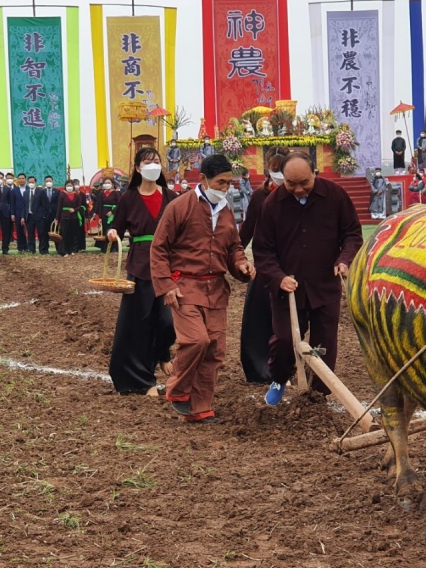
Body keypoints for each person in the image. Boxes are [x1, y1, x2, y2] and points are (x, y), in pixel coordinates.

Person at [150, 154, 254, 423]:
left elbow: (234, 248)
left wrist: (241, 264)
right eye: (221, 182)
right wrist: (166, 285)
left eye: (229, 183)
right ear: (204, 179)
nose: (225, 188)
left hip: (216, 289)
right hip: (184, 287)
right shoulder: (179, 207)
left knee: (215, 350)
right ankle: (178, 389)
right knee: (196, 340)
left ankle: (200, 408)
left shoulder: (227, 211)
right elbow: (159, 248)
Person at [253, 152, 363, 405]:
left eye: (304, 183)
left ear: (315, 173)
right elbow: (262, 250)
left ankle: (319, 393)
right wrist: (278, 277)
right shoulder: (272, 204)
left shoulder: (336, 196)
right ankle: (280, 378)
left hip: (325, 284)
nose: (299, 189)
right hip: (288, 289)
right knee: (284, 340)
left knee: (325, 342)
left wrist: (344, 260)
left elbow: (352, 234)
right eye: (291, 184)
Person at [107, 147, 178, 396]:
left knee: (168, 320)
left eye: (156, 161)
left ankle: (162, 353)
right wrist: (112, 232)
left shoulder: (171, 197)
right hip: (140, 265)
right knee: (141, 322)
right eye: (147, 162)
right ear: (137, 168)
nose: (152, 165)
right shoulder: (128, 198)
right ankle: (144, 380)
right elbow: (116, 227)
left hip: (168, 265)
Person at [238, 154, 285, 385]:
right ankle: (259, 368)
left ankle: (286, 367)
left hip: (291, 266)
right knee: (260, 318)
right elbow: (247, 229)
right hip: (265, 266)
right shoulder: (259, 197)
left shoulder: (299, 195)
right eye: (276, 170)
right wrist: (236, 256)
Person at [33, 177, 58, 255]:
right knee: (43, 233)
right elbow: (37, 204)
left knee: (56, 232)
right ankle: (43, 249)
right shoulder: (41, 192)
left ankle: (59, 249)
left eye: (50, 181)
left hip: (54, 216)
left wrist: (57, 215)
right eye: (47, 181)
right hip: (44, 216)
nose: (48, 182)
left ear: (52, 181)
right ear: (44, 182)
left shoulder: (57, 192)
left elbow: (59, 204)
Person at [11, 174, 34, 254]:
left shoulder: (29, 188)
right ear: (17, 180)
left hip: (28, 213)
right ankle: (20, 247)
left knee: (29, 230)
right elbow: (12, 203)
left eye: (23, 178)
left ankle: (29, 247)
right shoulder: (14, 190)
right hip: (18, 213)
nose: (21, 180)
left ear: (25, 179)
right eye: (19, 178)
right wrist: (12, 214)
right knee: (19, 230)